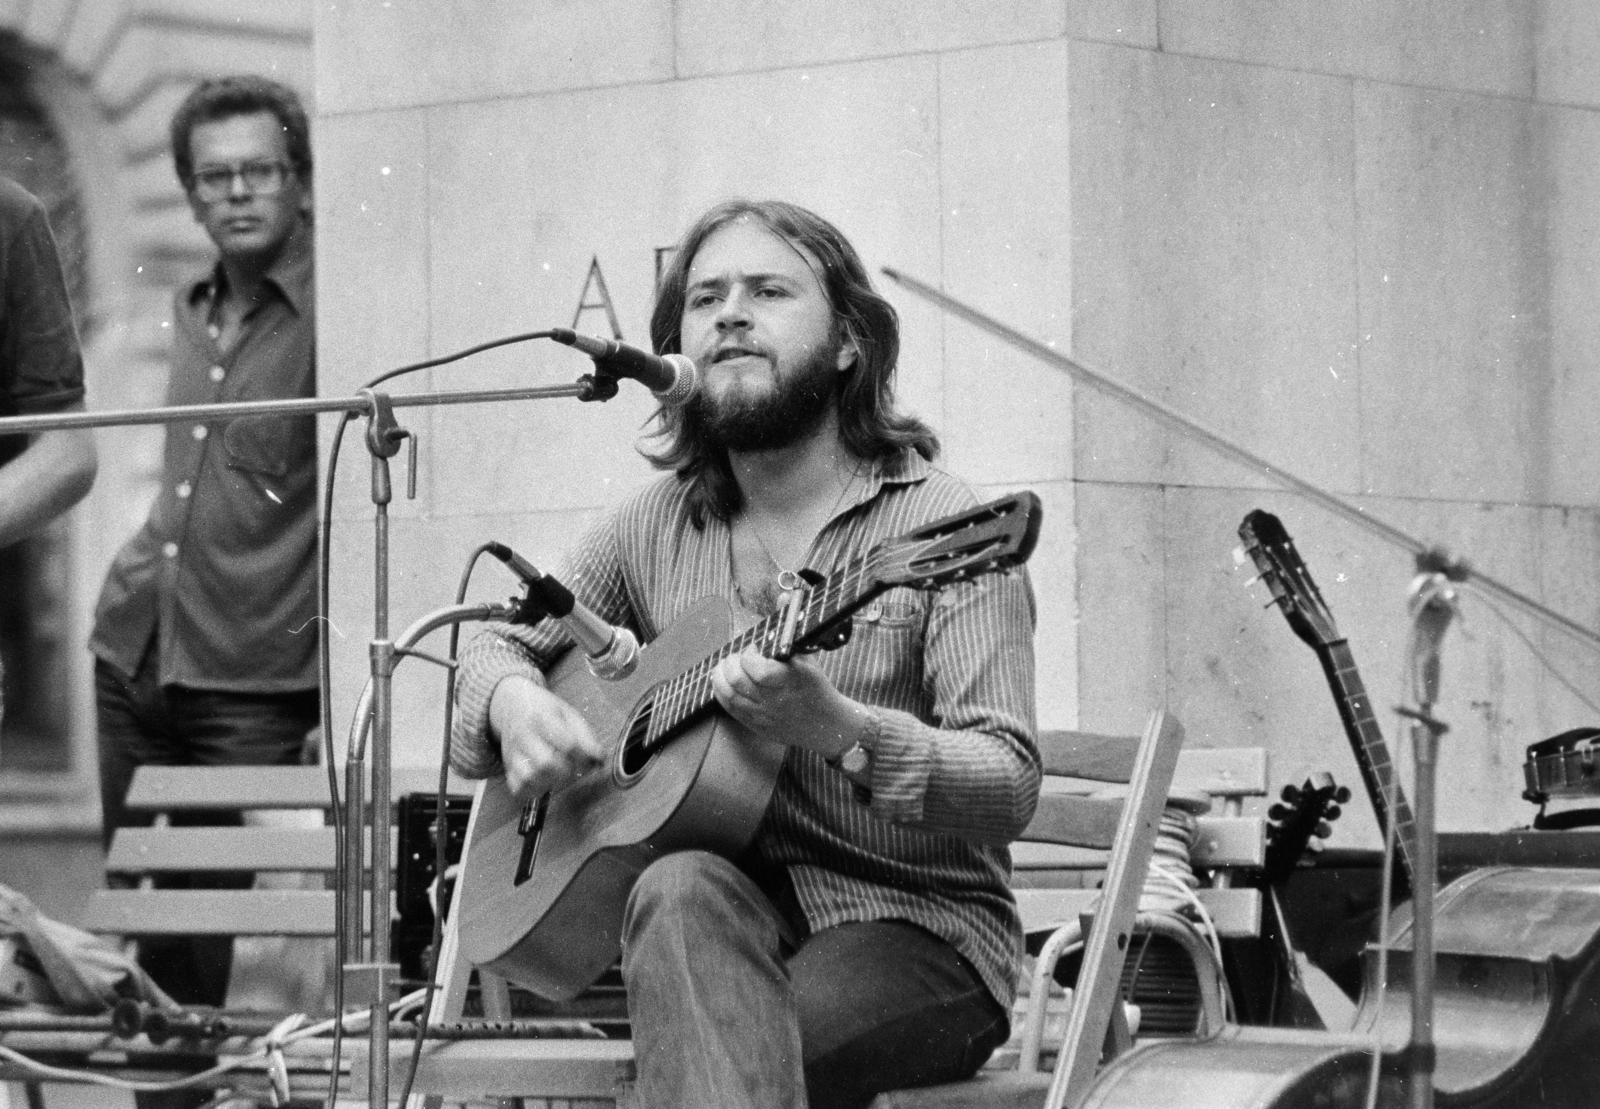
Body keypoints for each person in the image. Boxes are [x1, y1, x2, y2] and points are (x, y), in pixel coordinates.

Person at [450, 199, 1040, 1109]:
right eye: (705, 297)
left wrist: (844, 731)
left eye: (768, 291)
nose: (730, 313)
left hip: (917, 935)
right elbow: (496, 640)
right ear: (674, 354)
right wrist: (513, 704)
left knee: (712, 1060)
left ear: (849, 342)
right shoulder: (655, 524)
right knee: (681, 884)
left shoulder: (937, 526)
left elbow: (1009, 781)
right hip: (721, 927)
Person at [88, 76, 318, 1034]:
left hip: (252, 679)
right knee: (145, 939)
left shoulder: (335, 316)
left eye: (258, 170)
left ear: (300, 180)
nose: (235, 193)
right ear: (188, 193)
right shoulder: (187, 307)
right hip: (130, 652)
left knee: (210, 949)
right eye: (212, 177)